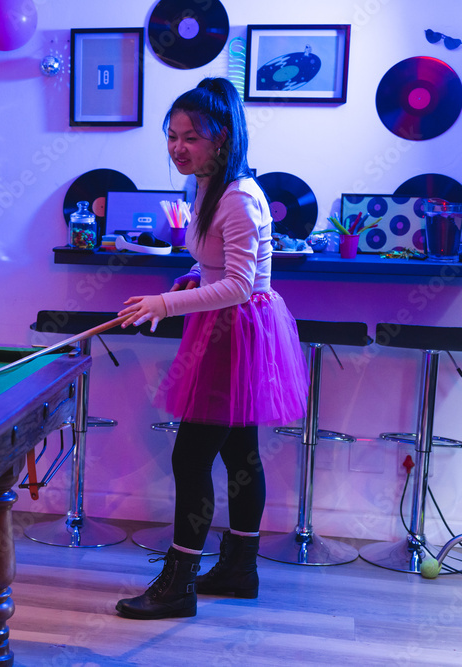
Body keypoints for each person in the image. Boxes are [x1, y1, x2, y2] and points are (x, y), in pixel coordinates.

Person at [114, 78, 308, 620]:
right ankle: (240, 569)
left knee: (191, 455)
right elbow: (219, 265)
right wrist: (189, 278)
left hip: (236, 331)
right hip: (224, 326)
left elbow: (244, 284)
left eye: (190, 138)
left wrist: (164, 304)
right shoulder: (206, 184)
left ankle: (178, 586)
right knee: (239, 452)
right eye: (171, 136)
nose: (177, 147)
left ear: (221, 139)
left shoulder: (239, 196)